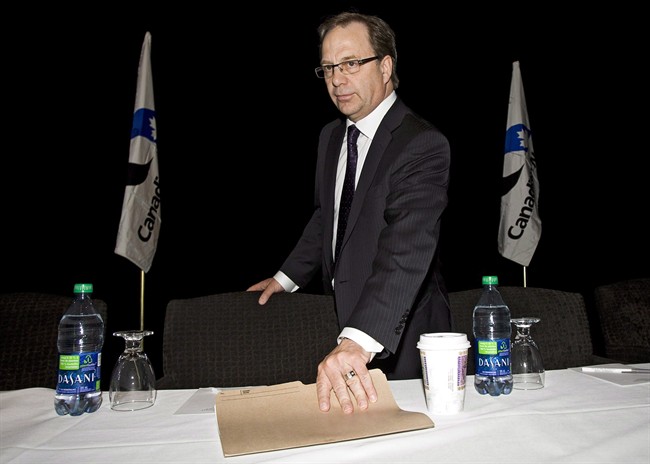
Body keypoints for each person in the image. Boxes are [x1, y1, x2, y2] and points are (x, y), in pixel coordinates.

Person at [247, 11, 451, 414]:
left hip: (403, 334)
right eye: (327, 68)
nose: (337, 80)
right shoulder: (330, 136)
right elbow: (330, 215)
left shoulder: (422, 144)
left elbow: (406, 248)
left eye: (351, 64)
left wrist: (359, 340)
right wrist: (285, 278)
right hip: (345, 321)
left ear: (386, 65)